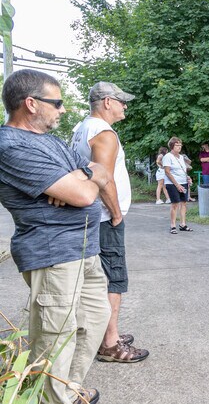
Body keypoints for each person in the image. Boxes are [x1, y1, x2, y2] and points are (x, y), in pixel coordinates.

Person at [0, 69, 112, 404]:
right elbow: (83, 196)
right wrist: (84, 182)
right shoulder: (10, 146)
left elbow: (101, 171)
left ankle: (67, 391)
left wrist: (84, 174)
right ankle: (52, 397)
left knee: (94, 320)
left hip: (84, 249)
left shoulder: (49, 141)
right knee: (54, 338)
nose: (63, 110)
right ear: (31, 104)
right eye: (57, 102)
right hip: (53, 255)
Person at [71, 81, 149, 364]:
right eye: (120, 101)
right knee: (115, 277)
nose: (124, 105)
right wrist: (116, 213)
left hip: (89, 215)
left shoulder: (81, 128)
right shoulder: (104, 133)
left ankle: (107, 333)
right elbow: (104, 179)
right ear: (106, 102)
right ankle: (110, 344)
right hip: (103, 217)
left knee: (99, 278)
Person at [163, 137, 193, 233]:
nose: (179, 147)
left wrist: (187, 178)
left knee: (183, 203)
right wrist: (177, 185)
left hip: (183, 182)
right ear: (172, 146)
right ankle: (173, 225)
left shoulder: (181, 157)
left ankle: (183, 224)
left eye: (180, 145)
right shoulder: (167, 157)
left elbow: (182, 170)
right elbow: (167, 172)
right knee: (175, 204)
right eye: (177, 145)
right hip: (172, 183)